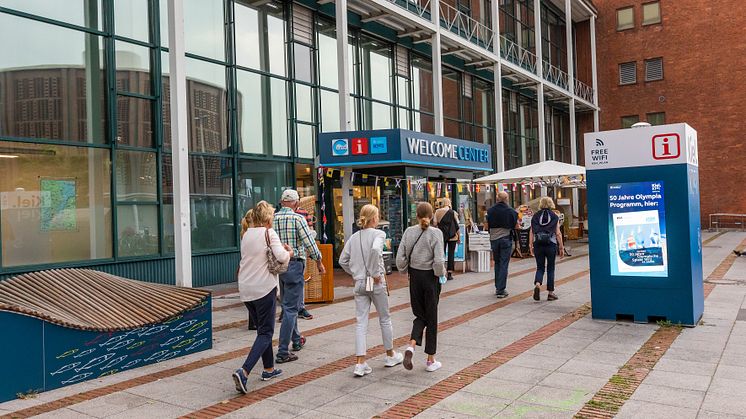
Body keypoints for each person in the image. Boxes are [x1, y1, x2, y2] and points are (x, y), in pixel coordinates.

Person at [232, 201, 291, 394]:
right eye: (272, 216)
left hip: (246, 289)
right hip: (263, 288)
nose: (273, 219)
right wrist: (289, 252)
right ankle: (244, 371)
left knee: (262, 331)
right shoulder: (269, 233)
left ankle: (269, 369)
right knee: (266, 333)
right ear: (267, 218)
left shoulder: (247, 234)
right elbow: (281, 257)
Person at [339, 204, 404, 377]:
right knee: (384, 318)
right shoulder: (379, 234)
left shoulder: (353, 237)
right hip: (375, 282)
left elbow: (342, 260)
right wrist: (375, 273)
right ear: (374, 218)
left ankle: (360, 362)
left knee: (361, 322)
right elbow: (376, 250)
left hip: (360, 282)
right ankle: (390, 354)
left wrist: (355, 272)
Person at [273, 189, 325, 364]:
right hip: (295, 264)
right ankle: (282, 351)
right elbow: (309, 243)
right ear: (296, 203)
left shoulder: (272, 219)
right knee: (290, 309)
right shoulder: (297, 218)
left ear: (282, 202)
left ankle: (296, 340)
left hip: (279, 265)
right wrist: (318, 261)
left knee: (288, 304)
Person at [396, 202, 446, 372]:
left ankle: (411, 345)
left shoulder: (409, 232)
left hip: (414, 276)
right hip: (430, 277)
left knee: (419, 314)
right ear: (432, 216)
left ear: (416, 216)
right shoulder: (436, 233)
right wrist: (441, 274)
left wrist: (404, 269)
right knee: (431, 317)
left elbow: (400, 257)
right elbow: (439, 260)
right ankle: (431, 359)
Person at [529, 197, 564, 301]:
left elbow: (531, 231)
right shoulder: (554, 216)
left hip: (538, 244)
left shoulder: (535, 216)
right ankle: (550, 293)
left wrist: (531, 245)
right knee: (550, 268)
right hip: (551, 244)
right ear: (551, 204)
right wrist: (561, 247)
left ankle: (538, 284)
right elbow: (557, 233)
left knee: (540, 267)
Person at [485, 192, 519, 298]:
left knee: (497, 263)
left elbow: (486, 227)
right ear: (507, 199)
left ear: (497, 199)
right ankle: (501, 289)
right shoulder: (512, 211)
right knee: (504, 263)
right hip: (505, 239)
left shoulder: (490, 211)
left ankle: (497, 286)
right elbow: (516, 226)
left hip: (494, 239)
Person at [294, 207, 315, 321]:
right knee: (299, 282)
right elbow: (310, 234)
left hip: (283, 254)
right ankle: (299, 308)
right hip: (299, 254)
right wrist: (317, 257)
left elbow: (311, 232)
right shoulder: (303, 213)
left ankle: (288, 309)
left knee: (285, 284)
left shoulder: (277, 216)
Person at [434, 197, 460, 281]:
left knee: (441, 254)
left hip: (442, 236)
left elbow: (434, 223)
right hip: (453, 236)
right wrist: (459, 237)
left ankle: (441, 272)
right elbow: (457, 226)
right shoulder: (453, 212)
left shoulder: (437, 211)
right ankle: (449, 273)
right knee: (451, 254)